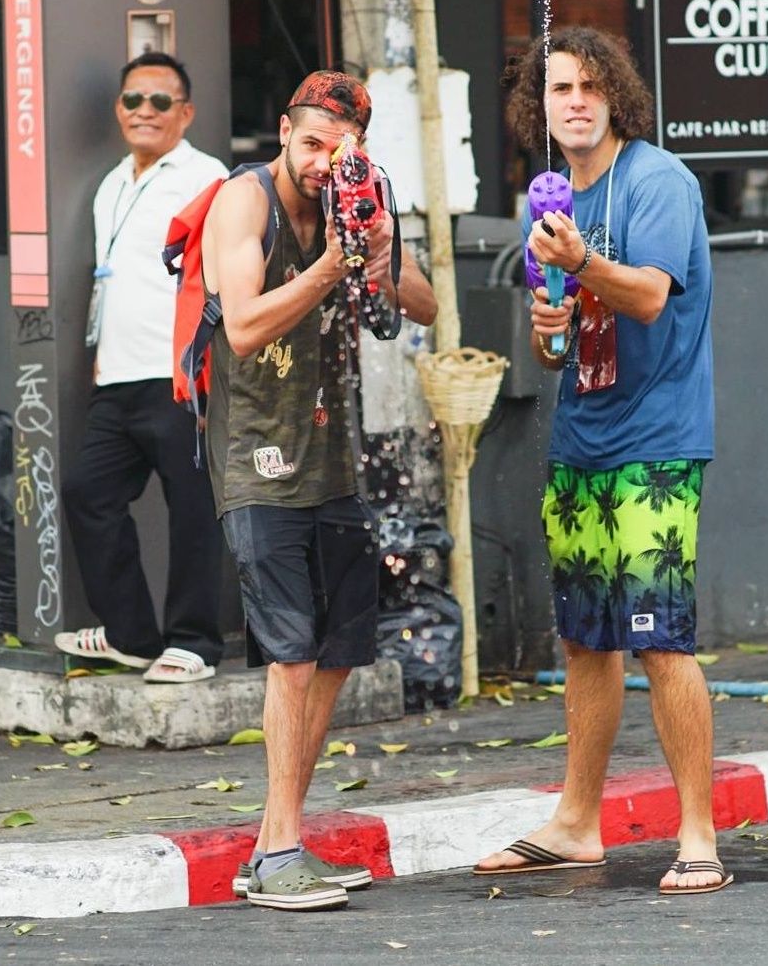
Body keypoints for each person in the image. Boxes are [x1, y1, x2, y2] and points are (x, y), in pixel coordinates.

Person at [474, 26, 726, 895]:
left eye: (588, 86)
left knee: (662, 641)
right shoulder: (545, 200)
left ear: (616, 96)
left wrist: (578, 260)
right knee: (585, 641)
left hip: (655, 443)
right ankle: (578, 823)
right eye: (557, 89)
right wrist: (548, 330)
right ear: (534, 107)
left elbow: (651, 296)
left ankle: (697, 834)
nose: (573, 101)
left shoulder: (658, 179)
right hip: (581, 439)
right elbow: (560, 346)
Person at [201, 71, 437, 910]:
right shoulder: (242, 201)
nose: (319, 163)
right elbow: (243, 323)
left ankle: (274, 841)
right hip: (253, 452)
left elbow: (425, 306)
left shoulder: (360, 195)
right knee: (292, 654)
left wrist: (373, 249)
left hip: (333, 451)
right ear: (283, 131)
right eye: (308, 145)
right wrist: (332, 265)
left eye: (337, 150)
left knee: (336, 654)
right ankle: (277, 852)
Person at [56, 53, 230, 682]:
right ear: (118, 110)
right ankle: (131, 634)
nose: (145, 112)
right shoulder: (112, 184)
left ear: (185, 113)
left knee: (192, 509)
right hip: (117, 378)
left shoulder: (206, 175)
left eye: (160, 102)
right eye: (133, 100)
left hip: (180, 373)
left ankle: (195, 643)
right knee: (86, 492)